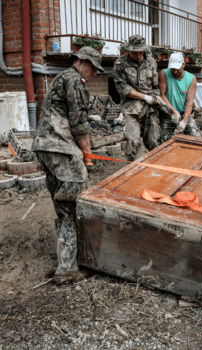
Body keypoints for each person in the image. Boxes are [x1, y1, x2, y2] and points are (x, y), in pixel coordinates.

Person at [32, 47, 105, 284]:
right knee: (72, 206)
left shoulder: (61, 77)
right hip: (62, 150)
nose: (94, 72)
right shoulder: (75, 81)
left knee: (63, 207)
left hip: (45, 147)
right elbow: (79, 124)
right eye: (92, 67)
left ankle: (67, 260)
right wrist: (88, 155)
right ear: (81, 61)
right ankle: (67, 269)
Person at [113, 35, 163, 161]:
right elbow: (123, 88)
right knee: (133, 141)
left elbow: (155, 85)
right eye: (136, 53)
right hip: (131, 107)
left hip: (150, 107)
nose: (139, 56)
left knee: (154, 141)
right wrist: (144, 96)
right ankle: (130, 171)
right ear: (128, 50)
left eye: (141, 52)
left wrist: (157, 98)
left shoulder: (151, 62)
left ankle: (155, 170)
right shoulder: (120, 63)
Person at [158, 52, 200, 142]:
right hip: (168, 113)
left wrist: (184, 121)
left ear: (183, 64)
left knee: (195, 138)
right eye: (173, 69)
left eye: (177, 69)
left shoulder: (191, 78)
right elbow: (162, 95)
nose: (175, 71)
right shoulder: (164, 74)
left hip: (184, 113)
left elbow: (190, 102)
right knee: (163, 142)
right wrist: (173, 111)